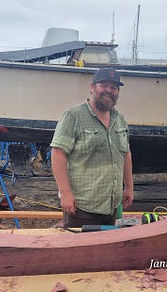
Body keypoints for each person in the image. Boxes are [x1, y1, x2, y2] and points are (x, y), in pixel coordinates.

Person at [50, 68, 133, 228]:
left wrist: (129, 187)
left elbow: (126, 154)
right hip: (82, 208)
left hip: (112, 206)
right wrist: (66, 194)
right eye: (104, 85)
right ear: (92, 87)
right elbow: (58, 153)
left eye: (114, 87)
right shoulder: (73, 116)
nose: (109, 90)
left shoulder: (120, 119)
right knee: (79, 252)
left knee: (107, 250)